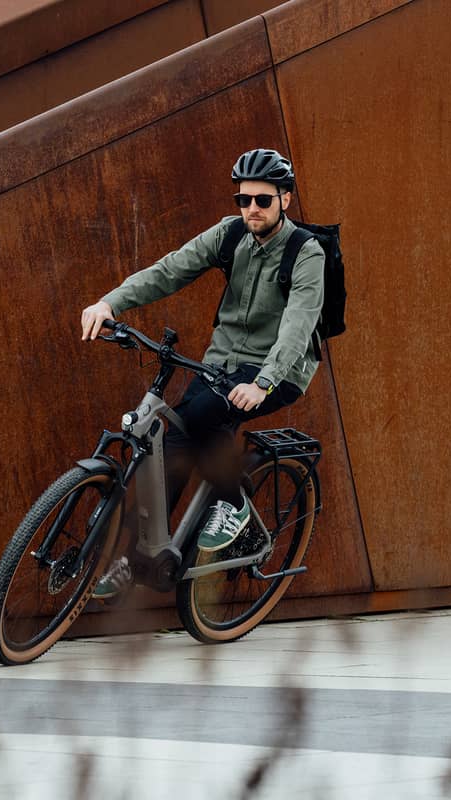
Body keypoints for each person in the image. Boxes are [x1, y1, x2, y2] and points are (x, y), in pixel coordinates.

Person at [79, 149, 325, 599]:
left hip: (279, 369)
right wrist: (110, 302)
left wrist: (264, 381)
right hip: (222, 362)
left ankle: (236, 511)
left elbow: (298, 324)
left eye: (263, 200)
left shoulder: (306, 252)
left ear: (285, 200)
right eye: (243, 199)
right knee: (170, 443)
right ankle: (140, 558)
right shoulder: (232, 235)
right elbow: (172, 268)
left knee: (205, 415)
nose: (251, 208)